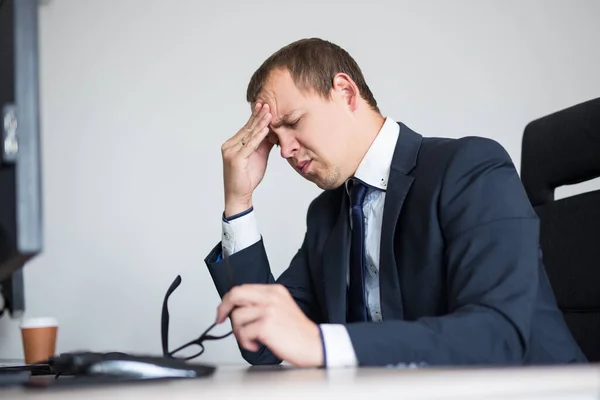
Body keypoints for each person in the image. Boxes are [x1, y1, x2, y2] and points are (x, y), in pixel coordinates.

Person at [204, 38, 586, 368]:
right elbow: (265, 344)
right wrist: (239, 201)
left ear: (346, 92)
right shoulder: (326, 216)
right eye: (273, 138)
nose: (285, 150)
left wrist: (322, 344)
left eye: (294, 121)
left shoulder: (470, 168)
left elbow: (497, 334)